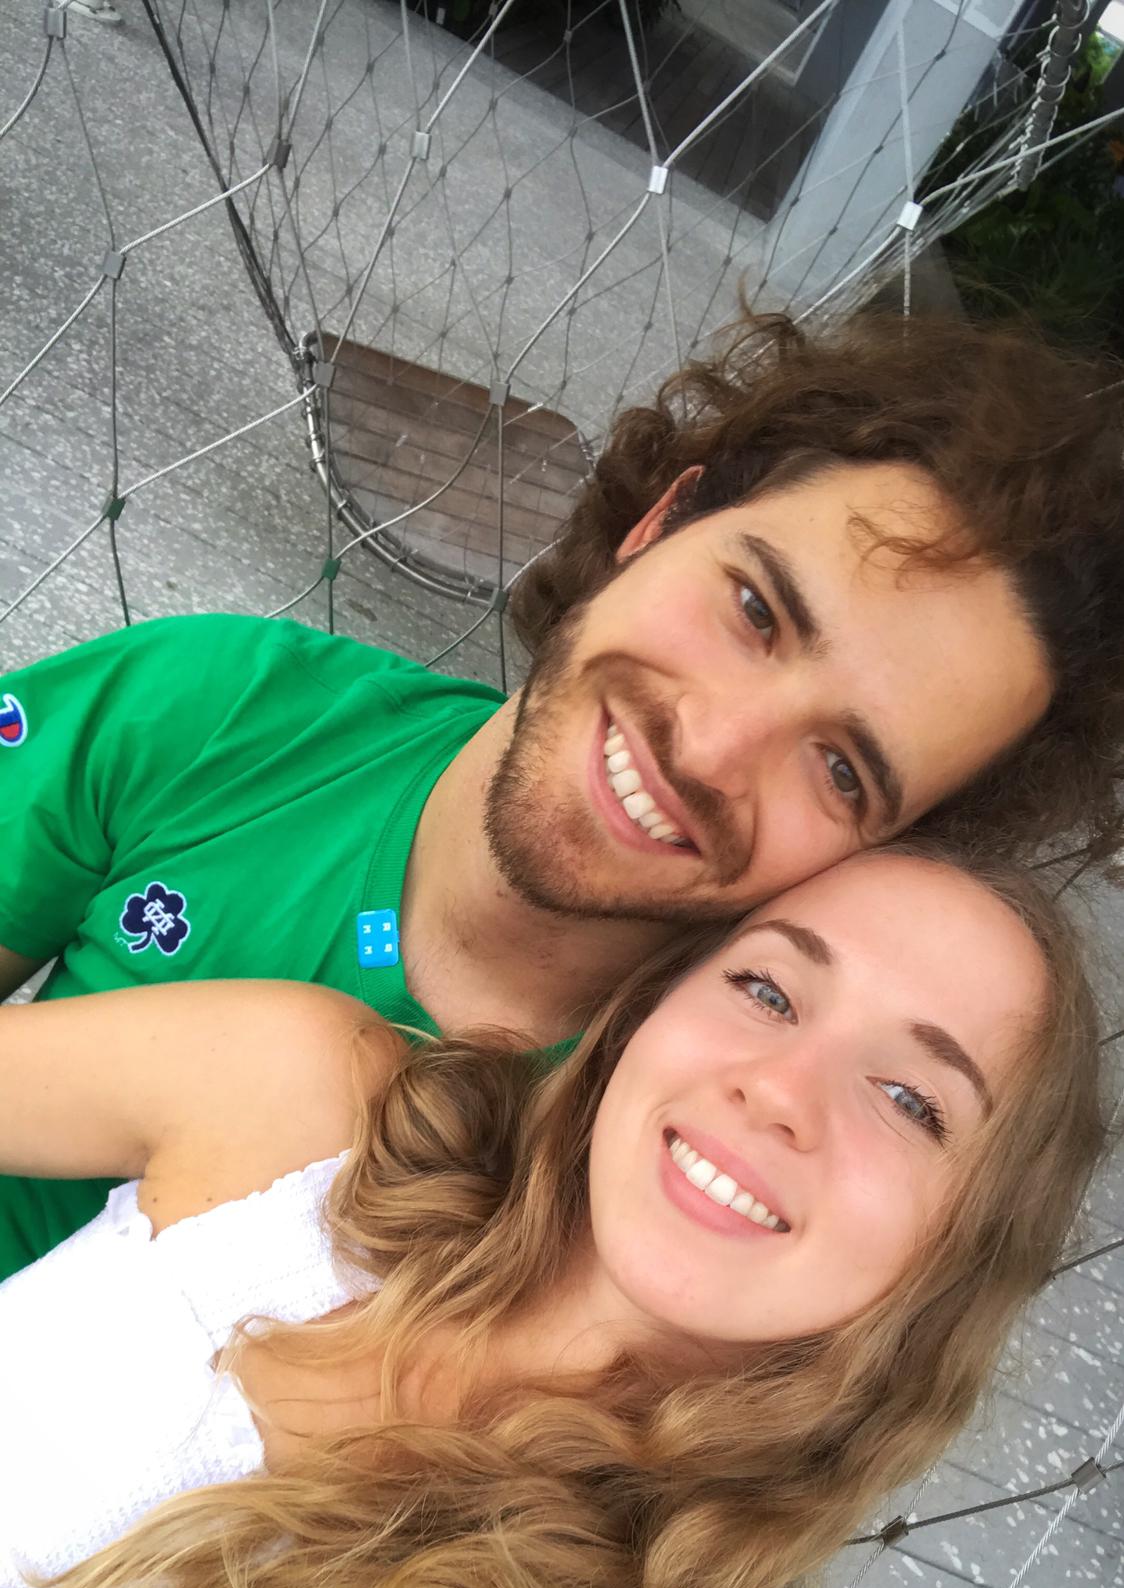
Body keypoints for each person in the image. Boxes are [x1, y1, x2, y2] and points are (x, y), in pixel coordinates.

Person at [0, 845, 1106, 1588]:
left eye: (910, 1100)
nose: (778, 1091)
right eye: (766, 989)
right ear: (644, 1012)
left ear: (957, 1258)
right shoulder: (295, 1095)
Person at [0, 309, 1122, 1281]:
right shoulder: (212, 707)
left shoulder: (708, 1161)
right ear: (660, 522)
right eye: (754, 609)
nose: (711, 748)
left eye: (840, 771)